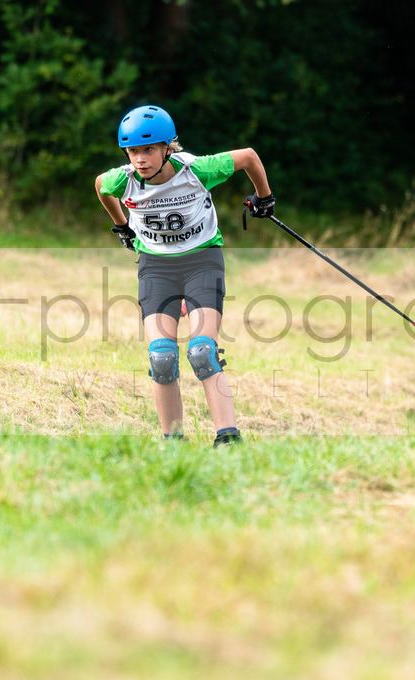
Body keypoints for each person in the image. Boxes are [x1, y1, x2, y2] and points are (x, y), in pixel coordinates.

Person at [94, 104, 275, 447]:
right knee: (161, 355)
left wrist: (264, 198)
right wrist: (121, 224)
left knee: (202, 350)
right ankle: (173, 444)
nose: (140, 159)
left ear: (168, 147)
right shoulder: (125, 179)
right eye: (133, 151)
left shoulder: (197, 170)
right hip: (156, 267)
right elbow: (101, 186)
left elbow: (249, 156)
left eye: (149, 149)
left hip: (202, 262)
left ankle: (228, 438)